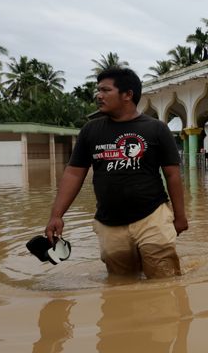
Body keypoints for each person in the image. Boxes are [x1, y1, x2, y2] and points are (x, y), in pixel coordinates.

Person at [45, 67, 188, 278]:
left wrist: (180, 217)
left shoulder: (156, 129)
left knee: (164, 280)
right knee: (121, 283)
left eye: (105, 90)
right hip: (109, 223)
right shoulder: (90, 131)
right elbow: (74, 174)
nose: (98, 96)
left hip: (152, 216)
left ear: (127, 95)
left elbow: (172, 175)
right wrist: (56, 215)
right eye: (98, 91)